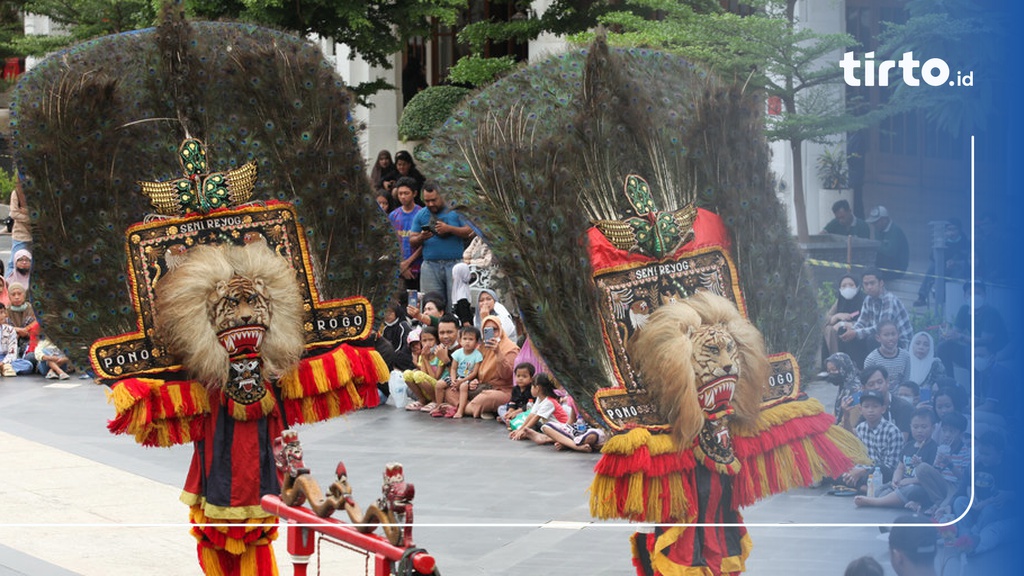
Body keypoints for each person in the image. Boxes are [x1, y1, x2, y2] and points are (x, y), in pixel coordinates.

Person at [853, 407, 938, 510]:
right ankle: (904, 502)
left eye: (924, 427)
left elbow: (931, 478)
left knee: (913, 490)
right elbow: (900, 467)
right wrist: (896, 479)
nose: (919, 430)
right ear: (910, 427)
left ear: (933, 428)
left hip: (917, 485)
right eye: (915, 427)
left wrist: (910, 481)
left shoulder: (934, 448)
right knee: (882, 490)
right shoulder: (909, 446)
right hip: (902, 483)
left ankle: (876, 502)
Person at [410, 182, 474, 313]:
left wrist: (449, 229)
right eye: (427, 201)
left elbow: (469, 231)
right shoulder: (421, 215)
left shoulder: (456, 211)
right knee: (431, 305)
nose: (431, 204)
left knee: (455, 305)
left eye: (434, 200)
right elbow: (412, 240)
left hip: (454, 265)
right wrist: (422, 237)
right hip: (430, 266)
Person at [936, 282, 1007, 376]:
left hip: (993, 353)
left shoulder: (991, 313)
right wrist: (947, 336)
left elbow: (984, 341)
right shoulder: (964, 310)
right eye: (971, 293)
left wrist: (960, 337)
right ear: (965, 296)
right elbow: (955, 332)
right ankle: (950, 383)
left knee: (971, 351)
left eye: (978, 293)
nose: (974, 296)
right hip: (973, 352)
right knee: (943, 347)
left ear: (984, 295)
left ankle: (974, 389)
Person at [841, 390, 902, 488]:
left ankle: (858, 485)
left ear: (883, 409)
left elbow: (890, 466)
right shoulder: (861, 427)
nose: (870, 410)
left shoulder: (892, 431)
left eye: (875, 406)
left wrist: (862, 471)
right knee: (839, 468)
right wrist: (846, 415)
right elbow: (850, 440)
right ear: (860, 409)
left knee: (879, 469)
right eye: (866, 406)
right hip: (861, 470)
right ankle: (860, 486)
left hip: (880, 473)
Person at [840, 268, 912, 350]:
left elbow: (882, 328)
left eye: (872, 283)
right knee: (847, 334)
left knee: (872, 339)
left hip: (899, 343)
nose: (869, 287)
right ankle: (854, 362)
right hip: (882, 337)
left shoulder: (889, 300)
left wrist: (856, 333)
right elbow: (862, 322)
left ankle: (873, 363)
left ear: (881, 283)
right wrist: (852, 330)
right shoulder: (868, 299)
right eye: (866, 284)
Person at [464, 315, 519, 418]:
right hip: (482, 386)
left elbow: (507, 375)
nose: (492, 333)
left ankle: (461, 407)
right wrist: (472, 381)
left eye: (495, 329)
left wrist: (498, 352)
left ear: (501, 329)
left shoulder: (510, 348)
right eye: (487, 330)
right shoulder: (482, 348)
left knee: (486, 398)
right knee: (453, 389)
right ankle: (474, 408)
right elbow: (471, 369)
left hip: (502, 390)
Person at [841, 366, 913, 438]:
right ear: (863, 389)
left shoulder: (903, 407)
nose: (877, 387)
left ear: (887, 382)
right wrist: (846, 416)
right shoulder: (868, 408)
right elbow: (853, 436)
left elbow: (902, 441)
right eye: (871, 384)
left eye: (880, 382)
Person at [914, 218, 968, 307]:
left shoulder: (964, 241)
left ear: (959, 230)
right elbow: (932, 257)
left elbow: (966, 259)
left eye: (954, 229)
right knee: (932, 267)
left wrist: (955, 262)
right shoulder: (944, 240)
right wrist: (944, 240)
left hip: (957, 267)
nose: (952, 232)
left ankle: (952, 298)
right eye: (949, 229)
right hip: (943, 266)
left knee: (958, 271)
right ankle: (922, 296)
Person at [509, 373, 569, 444]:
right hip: (549, 426)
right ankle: (533, 434)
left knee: (540, 426)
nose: (530, 388)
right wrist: (520, 429)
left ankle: (548, 438)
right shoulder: (539, 398)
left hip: (561, 428)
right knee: (535, 425)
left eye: (532, 386)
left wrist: (523, 430)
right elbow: (532, 415)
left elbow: (536, 417)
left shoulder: (549, 402)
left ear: (537, 388)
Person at [822, 273, 868, 367]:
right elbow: (826, 318)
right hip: (839, 331)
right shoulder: (840, 301)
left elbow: (867, 322)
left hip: (858, 333)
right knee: (828, 329)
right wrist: (836, 316)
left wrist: (845, 323)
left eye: (851, 285)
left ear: (857, 286)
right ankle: (831, 363)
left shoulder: (865, 301)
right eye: (843, 286)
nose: (847, 288)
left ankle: (847, 365)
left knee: (843, 329)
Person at [388, 176, 425, 293]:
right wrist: (400, 265)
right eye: (400, 193)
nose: (403, 197)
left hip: (418, 269)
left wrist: (407, 263)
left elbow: (425, 243)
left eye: (406, 193)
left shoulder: (422, 214)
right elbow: (390, 243)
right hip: (398, 270)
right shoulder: (393, 215)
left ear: (414, 193)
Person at [445, 326, 484, 419]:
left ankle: (460, 410)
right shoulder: (457, 353)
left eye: (471, 339)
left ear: (477, 342)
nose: (467, 341)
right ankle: (438, 405)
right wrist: (454, 380)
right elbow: (453, 369)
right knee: (439, 384)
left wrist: (462, 381)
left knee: (463, 387)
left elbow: (474, 373)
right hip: (457, 377)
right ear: (460, 340)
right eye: (465, 339)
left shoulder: (477, 355)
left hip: (468, 379)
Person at [863, 319, 911, 392]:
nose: (891, 338)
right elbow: (869, 384)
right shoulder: (871, 359)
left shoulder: (905, 356)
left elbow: (906, 382)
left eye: (893, 334)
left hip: (900, 398)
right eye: (886, 335)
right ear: (878, 338)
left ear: (898, 335)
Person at [403, 326, 442, 412]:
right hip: (427, 388)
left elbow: (435, 377)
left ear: (437, 340)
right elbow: (423, 374)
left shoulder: (440, 355)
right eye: (424, 341)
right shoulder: (422, 355)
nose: (427, 343)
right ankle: (422, 400)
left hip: (439, 388)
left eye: (431, 340)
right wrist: (424, 357)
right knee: (407, 373)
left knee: (418, 375)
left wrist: (425, 359)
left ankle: (435, 401)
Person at [864, 205, 909, 281]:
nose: (874, 225)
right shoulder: (877, 230)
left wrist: (874, 245)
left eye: (876, 222)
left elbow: (891, 251)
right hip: (884, 265)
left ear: (884, 220)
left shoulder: (895, 231)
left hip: (897, 267)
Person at [824, 352, 862, 422]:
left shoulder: (855, 390)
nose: (831, 373)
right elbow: (835, 414)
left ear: (844, 367)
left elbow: (851, 422)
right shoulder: (844, 385)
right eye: (829, 371)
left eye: (834, 369)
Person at [907, 332, 944, 399]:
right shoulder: (905, 362)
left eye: (926, 345)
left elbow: (940, 388)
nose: (921, 347)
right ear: (912, 345)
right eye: (918, 343)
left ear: (930, 348)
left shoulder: (936, 364)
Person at [8, 177, 32, 275]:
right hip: (21, 235)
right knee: (13, 264)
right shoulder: (17, 193)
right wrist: (31, 219)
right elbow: (14, 213)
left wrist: (24, 212)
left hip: (38, 235)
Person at [499, 361, 535, 426]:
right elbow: (513, 401)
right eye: (518, 376)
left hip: (524, 411)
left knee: (525, 415)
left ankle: (509, 421)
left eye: (524, 376)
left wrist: (516, 412)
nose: (520, 378)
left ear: (531, 379)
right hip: (516, 408)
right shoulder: (515, 389)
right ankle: (509, 419)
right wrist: (510, 410)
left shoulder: (532, 390)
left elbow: (530, 405)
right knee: (501, 408)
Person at [381, 303, 414, 371]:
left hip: (403, 359)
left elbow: (406, 346)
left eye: (390, 312)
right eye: (384, 313)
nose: (387, 315)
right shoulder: (385, 329)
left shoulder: (403, 326)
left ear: (396, 312)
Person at [0, 303, 17, 377]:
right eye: (0, 313)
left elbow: (12, 352)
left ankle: (4, 367)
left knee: (28, 365)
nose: (3, 316)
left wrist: (3, 363)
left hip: (5, 358)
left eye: (3, 312)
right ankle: (6, 369)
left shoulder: (10, 330)